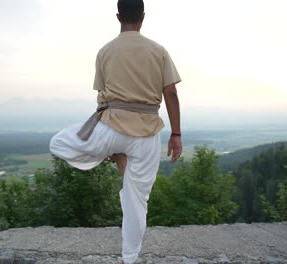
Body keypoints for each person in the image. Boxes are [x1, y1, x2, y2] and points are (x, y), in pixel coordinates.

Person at [49, 0, 182, 262]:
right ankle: (130, 258)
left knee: (57, 144)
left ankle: (115, 156)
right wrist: (176, 134)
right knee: (137, 202)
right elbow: (171, 93)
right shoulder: (159, 51)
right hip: (146, 133)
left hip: (110, 128)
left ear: (118, 16)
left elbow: (101, 97)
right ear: (143, 17)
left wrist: (101, 144)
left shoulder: (105, 51)